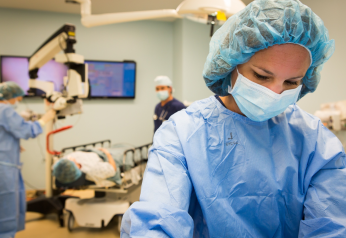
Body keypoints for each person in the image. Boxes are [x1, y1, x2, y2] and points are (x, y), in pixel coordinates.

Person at [121, 0, 346, 237]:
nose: (275, 92)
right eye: (261, 76)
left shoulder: (316, 142)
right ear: (230, 66)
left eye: (292, 82)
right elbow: (158, 221)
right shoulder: (181, 133)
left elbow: (331, 226)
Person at [0, 82, 56, 238]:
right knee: (4, 208)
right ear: (11, 97)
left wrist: (12, 144)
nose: (17, 102)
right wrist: (45, 119)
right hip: (2, 168)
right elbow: (27, 131)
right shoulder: (5, 110)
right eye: (17, 99)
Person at [53, 147, 117, 187]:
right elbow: (112, 169)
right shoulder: (92, 170)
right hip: (104, 155)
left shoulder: (62, 162)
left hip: (94, 151)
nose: (71, 158)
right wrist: (108, 153)